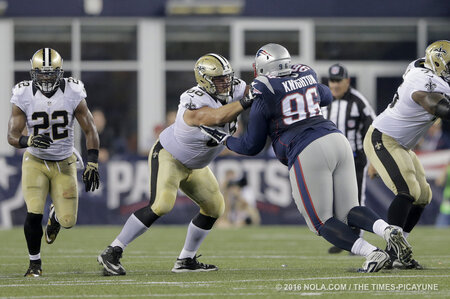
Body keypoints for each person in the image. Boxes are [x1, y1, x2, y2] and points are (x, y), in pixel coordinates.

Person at [201, 43, 412, 273]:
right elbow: (326, 96)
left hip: (307, 149)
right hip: (337, 140)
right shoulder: (306, 74)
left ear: (263, 67)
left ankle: (372, 252)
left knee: (320, 222)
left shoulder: (264, 91)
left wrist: (225, 140)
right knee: (349, 210)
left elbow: (252, 146)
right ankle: (387, 230)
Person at [97, 53, 253, 275]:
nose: (226, 83)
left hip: (196, 165)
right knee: (161, 205)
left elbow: (256, 93)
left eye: (227, 78)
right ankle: (112, 251)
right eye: (219, 79)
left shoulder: (237, 88)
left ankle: (186, 260)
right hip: (169, 156)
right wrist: (247, 101)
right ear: (204, 81)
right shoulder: (193, 99)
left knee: (215, 207)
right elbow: (217, 117)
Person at [7, 48, 100, 277]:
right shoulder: (23, 93)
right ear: (33, 73)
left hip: (64, 162)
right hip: (35, 161)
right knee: (33, 212)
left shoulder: (73, 91)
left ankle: (55, 217)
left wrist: (93, 162)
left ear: (60, 72)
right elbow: (11, 135)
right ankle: (34, 263)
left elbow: (90, 128)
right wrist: (27, 139)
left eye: (51, 73)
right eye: (41, 73)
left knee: (68, 221)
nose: (46, 78)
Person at [364, 40, 450, 269]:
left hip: (401, 144)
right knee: (408, 191)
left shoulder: (425, 70)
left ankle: (401, 250)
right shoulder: (423, 79)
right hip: (383, 138)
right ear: (439, 64)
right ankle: (388, 255)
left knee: (423, 195)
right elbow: (433, 104)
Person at [322, 63, 376, 254]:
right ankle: (345, 238)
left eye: (338, 81)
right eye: (332, 81)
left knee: (354, 200)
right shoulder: (323, 100)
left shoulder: (358, 101)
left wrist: (374, 160)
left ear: (347, 81)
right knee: (333, 201)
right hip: (330, 159)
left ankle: (356, 239)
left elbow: (373, 129)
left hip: (354, 158)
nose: (335, 85)